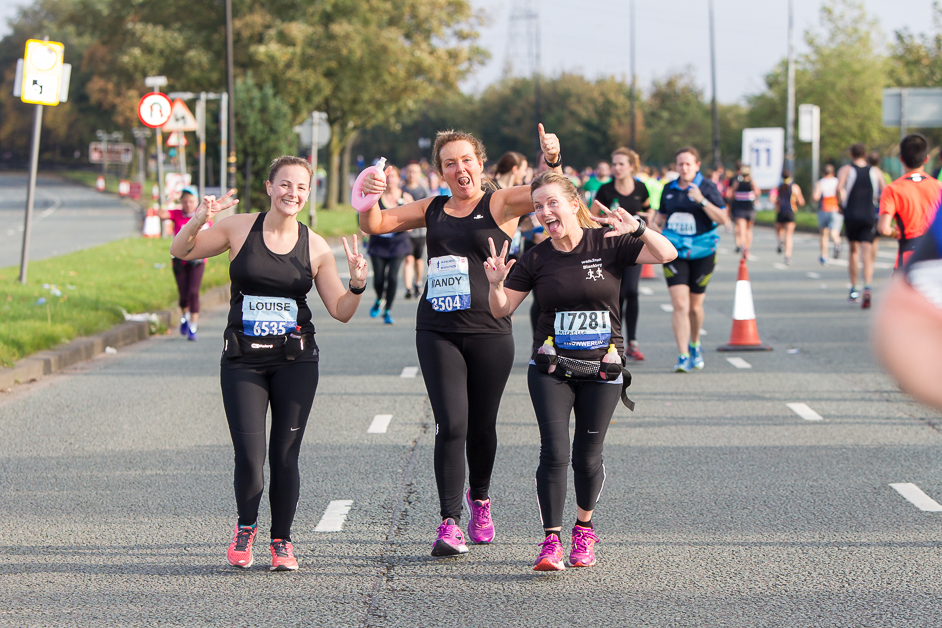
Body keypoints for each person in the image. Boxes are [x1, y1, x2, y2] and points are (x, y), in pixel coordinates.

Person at [359, 124, 563, 557]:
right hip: (438, 330)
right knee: (451, 424)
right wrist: (368, 192)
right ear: (440, 172)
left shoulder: (502, 202)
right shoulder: (432, 208)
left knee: (482, 427)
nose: (459, 168)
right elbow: (375, 223)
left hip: (490, 330)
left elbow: (551, 191)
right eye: (450, 163)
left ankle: (481, 499)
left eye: (466, 159)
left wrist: (552, 158)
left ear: (480, 163)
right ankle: (449, 521)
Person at [169, 156, 369, 572]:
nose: (291, 193)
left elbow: (341, 310)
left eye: (300, 187)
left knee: (284, 455)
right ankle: (246, 528)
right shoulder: (238, 227)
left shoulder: (315, 245)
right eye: (284, 185)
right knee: (249, 454)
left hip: (295, 360)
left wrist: (357, 283)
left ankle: (282, 541)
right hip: (243, 358)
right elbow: (181, 250)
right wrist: (199, 218)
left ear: (308, 193)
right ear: (269, 186)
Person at [483, 171, 676, 571]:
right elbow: (502, 308)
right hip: (551, 368)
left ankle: (583, 529)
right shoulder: (537, 257)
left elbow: (667, 254)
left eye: (552, 202)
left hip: (603, 368)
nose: (544, 212)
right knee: (553, 452)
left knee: (587, 457)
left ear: (574, 204)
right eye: (537, 206)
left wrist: (638, 229)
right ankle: (550, 541)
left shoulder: (607, 243)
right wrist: (495, 283)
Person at [656, 146, 729, 373]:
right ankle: (683, 355)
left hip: (703, 251)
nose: (684, 168)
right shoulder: (669, 189)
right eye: (680, 164)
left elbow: (724, 218)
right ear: (676, 166)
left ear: (697, 165)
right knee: (679, 303)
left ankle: (694, 343)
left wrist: (702, 201)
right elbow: (661, 217)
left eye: (688, 164)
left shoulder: (707, 187)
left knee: (695, 306)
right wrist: (650, 229)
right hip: (674, 251)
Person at [873, 205, 942, 411]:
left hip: (911, 263)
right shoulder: (934, 184)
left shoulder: (895, 188)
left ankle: (858, 288)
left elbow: (884, 229)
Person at [594, 147, 652, 361]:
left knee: (631, 291)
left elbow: (648, 207)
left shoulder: (641, 187)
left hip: (635, 248)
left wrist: (647, 221)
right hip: (610, 250)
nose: (616, 168)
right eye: (614, 164)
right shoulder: (605, 190)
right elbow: (591, 216)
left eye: (621, 164)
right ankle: (612, 342)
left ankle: (633, 342)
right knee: (614, 296)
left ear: (631, 167)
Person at [877, 133, 942, 269]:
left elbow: (883, 228)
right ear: (927, 159)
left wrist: (894, 232)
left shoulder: (892, 189)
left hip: (907, 258)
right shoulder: (938, 187)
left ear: (901, 158)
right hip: (936, 260)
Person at [155, 186, 210, 341]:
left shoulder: (203, 215)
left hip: (197, 260)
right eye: (185, 201)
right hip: (180, 259)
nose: (188, 204)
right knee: (183, 295)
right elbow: (160, 214)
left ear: (196, 202)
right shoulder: (177, 214)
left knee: (193, 292)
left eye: (191, 201)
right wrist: (168, 201)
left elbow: (211, 234)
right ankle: (185, 316)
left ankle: (193, 326)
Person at [837, 143, 883, 307]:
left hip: (851, 215)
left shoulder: (846, 170)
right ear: (865, 154)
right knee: (867, 252)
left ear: (851, 154)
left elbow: (839, 188)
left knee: (853, 251)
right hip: (869, 215)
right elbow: (884, 191)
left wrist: (840, 205)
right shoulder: (875, 171)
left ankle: (854, 289)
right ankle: (868, 287)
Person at [366, 166, 413, 324]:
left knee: (392, 277)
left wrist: (399, 224)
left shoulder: (405, 198)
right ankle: (379, 299)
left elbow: (413, 223)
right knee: (378, 278)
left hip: (398, 245)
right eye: (388, 176)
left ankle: (388, 310)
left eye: (394, 176)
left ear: (400, 179)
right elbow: (365, 218)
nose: (391, 179)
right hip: (378, 244)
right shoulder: (376, 197)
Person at [401, 162, 431, 299]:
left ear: (419, 174)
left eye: (414, 172)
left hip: (420, 232)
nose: (411, 175)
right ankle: (408, 288)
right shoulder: (401, 190)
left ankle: (418, 283)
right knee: (408, 259)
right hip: (405, 232)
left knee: (418, 260)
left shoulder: (423, 191)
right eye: (409, 172)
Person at [770, 170, 805, 265]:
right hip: (791, 212)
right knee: (789, 235)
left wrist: (777, 201)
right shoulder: (795, 187)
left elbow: (771, 198)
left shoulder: (778, 187)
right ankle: (787, 256)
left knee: (778, 230)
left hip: (780, 212)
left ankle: (780, 240)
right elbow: (801, 201)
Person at [725, 164, 760, 256]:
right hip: (746, 208)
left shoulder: (738, 182)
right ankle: (746, 247)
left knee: (744, 229)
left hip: (743, 208)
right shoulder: (750, 182)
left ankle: (745, 247)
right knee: (747, 229)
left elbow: (730, 194)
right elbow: (757, 192)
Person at [812, 164, 842, 265]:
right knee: (834, 233)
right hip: (836, 209)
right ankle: (837, 243)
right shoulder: (837, 181)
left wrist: (813, 199)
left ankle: (824, 256)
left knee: (824, 235)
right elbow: (843, 195)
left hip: (824, 209)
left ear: (822, 173)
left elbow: (816, 197)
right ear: (833, 173)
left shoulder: (820, 183)